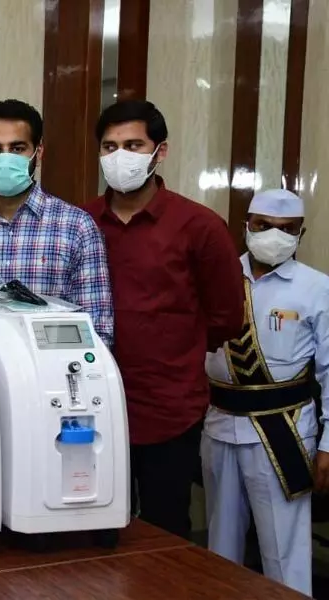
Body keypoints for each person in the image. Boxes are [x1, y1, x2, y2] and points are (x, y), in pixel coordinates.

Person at [83, 99, 244, 539]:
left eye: (133, 145)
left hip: (169, 409)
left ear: (160, 151)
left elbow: (228, 317)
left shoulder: (200, 226)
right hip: (92, 405)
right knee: (92, 526)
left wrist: (172, 347)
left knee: (165, 532)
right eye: (110, 146)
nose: (120, 157)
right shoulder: (81, 223)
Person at [202, 189, 329, 596]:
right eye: (262, 226)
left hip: (284, 432)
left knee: (283, 551)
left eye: (285, 229)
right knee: (218, 547)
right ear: (247, 227)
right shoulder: (216, 275)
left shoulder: (317, 288)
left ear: (300, 233)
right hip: (219, 423)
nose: (273, 235)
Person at [0, 99, 113, 345]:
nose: (5, 158)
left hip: (55, 373)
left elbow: (97, 330)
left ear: (38, 152)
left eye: (17, 148)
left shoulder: (77, 227)